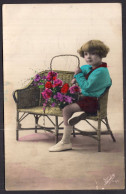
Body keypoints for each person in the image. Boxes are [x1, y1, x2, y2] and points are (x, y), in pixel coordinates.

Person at [49, 40, 112, 152]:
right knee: (63, 101)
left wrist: (78, 75)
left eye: (93, 53)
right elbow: (81, 70)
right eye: (86, 54)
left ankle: (65, 142)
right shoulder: (90, 67)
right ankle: (82, 114)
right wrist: (76, 76)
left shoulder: (101, 71)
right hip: (85, 99)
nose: (88, 57)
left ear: (101, 54)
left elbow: (87, 86)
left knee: (67, 109)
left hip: (93, 101)